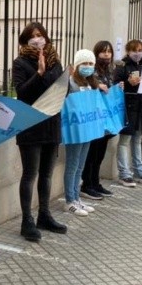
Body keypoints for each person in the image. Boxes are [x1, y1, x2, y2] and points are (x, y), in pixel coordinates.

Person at [13, 22, 68, 242]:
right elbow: (22, 93)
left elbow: (60, 89)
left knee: (46, 174)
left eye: (41, 35)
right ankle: (27, 220)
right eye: (33, 36)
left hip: (51, 122)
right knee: (30, 174)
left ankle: (44, 214)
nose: (38, 39)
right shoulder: (20, 63)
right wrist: (39, 73)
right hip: (30, 124)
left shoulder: (55, 61)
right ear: (25, 41)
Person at [81, 41, 125, 196]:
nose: (106, 54)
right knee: (92, 152)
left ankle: (95, 182)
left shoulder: (111, 70)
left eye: (109, 51)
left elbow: (110, 90)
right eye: (103, 51)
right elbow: (85, 87)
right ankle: (87, 184)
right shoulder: (91, 70)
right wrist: (97, 86)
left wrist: (118, 87)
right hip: (95, 116)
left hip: (107, 117)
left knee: (100, 152)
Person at [63, 49, 97, 216]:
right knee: (72, 164)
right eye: (84, 63)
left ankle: (77, 198)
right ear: (76, 65)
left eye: (91, 64)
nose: (88, 67)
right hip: (75, 130)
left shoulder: (90, 83)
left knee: (80, 165)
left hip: (87, 129)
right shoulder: (70, 83)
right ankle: (69, 200)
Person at [114, 39, 142, 188]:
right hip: (128, 107)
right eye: (134, 50)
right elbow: (116, 85)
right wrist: (129, 83)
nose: (138, 53)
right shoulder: (122, 66)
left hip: (141, 107)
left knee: (138, 139)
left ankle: (139, 171)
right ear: (128, 51)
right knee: (125, 140)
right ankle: (124, 173)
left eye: (140, 50)